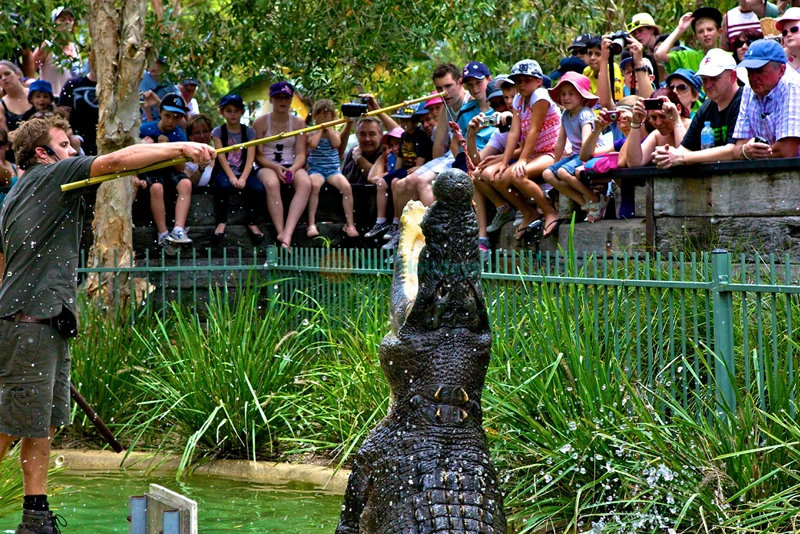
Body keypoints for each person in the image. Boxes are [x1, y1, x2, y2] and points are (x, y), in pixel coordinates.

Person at [0, 115, 214, 534]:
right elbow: (116, 161)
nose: (72, 152)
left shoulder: (16, 194)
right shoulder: (52, 175)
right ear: (42, 153)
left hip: (42, 322)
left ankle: (35, 516)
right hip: (28, 323)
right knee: (8, 426)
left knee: (38, 425)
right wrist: (182, 148)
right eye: (64, 145)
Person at [496, 59, 562, 239]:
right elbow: (514, 132)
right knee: (500, 178)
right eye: (518, 81)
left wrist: (522, 160)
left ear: (538, 81)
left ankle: (550, 212)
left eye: (527, 80)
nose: (521, 84)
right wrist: (504, 162)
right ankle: (529, 212)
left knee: (518, 175)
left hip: (553, 152)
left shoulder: (540, 96)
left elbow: (535, 130)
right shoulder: (518, 99)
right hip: (535, 154)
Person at [653, 49, 744, 167]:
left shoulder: (745, 100)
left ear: (732, 76)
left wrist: (682, 158)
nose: (708, 85)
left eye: (714, 78)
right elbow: (686, 148)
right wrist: (667, 155)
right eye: (704, 79)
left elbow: (734, 150)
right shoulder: (706, 107)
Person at [542, 72, 609, 224]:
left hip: (591, 152)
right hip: (576, 154)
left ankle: (596, 199)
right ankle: (584, 202)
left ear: (582, 96)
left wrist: (582, 163)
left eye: (571, 94)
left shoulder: (585, 114)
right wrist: (556, 162)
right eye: (563, 94)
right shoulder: (566, 114)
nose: (566, 98)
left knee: (562, 172)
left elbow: (587, 143)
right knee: (548, 174)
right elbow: (560, 142)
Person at [252, 81, 311, 250]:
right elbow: (258, 155)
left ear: (291, 100)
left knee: (305, 183)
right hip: (267, 165)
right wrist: (275, 167)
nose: (282, 101)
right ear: (271, 99)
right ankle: (280, 232)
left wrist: (293, 168)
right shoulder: (260, 123)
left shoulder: (298, 123)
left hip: (291, 164)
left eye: (286, 97)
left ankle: (288, 233)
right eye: (278, 97)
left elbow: (301, 154)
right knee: (271, 183)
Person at [138, 93, 194, 251]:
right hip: (151, 167)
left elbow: (180, 168)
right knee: (156, 187)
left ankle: (178, 230)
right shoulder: (146, 129)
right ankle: (162, 233)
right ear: (160, 113)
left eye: (176, 117)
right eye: (167, 116)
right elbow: (135, 155)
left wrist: (170, 148)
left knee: (186, 183)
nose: (171, 121)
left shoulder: (179, 135)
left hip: (171, 168)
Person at [732, 39, 800, 159]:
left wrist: (751, 153)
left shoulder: (792, 86)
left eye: (760, 71)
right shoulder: (749, 88)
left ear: (781, 70)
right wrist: (745, 151)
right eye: (749, 71)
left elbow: (787, 150)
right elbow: (739, 147)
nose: (753, 78)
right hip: (767, 168)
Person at [210, 94, 263, 245]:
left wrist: (243, 177)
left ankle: (252, 222)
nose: (232, 114)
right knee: (223, 186)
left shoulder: (249, 132)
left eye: (236, 110)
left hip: (244, 170)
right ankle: (221, 221)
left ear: (242, 112)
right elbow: (221, 157)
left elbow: (251, 157)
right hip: (225, 170)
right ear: (222, 112)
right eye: (228, 111)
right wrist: (232, 177)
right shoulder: (218, 132)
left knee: (258, 189)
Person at [306, 99, 358, 239]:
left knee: (346, 187)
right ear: (315, 116)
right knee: (314, 186)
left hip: (332, 170)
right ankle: (311, 223)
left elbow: (336, 144)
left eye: (328, 115)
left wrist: (328, 128)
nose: (325, 117)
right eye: (321, 115)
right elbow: (313, 144)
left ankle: (350, 224)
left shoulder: (334, 133)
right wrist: (319, 129)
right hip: (316, 169)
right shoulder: (311, 133)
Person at [624, 87, 691, 167]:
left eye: (663, 116)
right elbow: (634, 163)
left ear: (678, 109)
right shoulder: (657, 135)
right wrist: (635, 123)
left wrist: (676, 119)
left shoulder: (692, 127)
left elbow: (683, 156)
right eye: (653, 117)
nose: (658, 123)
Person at [31, 6, 82, 97]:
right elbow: (29, 70)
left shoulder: (75, 48)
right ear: (54, 24)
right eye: (62, 20)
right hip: (53, 100)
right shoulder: (47, 46)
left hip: (72, 101)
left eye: (70, 20)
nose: (67, 22)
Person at [655, 8, 724, 74]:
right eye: (700, 32)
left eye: (710, 30)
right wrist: (680, 29)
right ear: (696, 36)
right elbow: (660, 54)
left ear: (719, 31)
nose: (705, 34)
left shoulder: (728, 57)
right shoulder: (688, 57)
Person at [58, 60, 99, 156]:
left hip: (106, 136)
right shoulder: (73, 83)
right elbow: (63, 116)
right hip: (79, 138)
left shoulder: (115, 85)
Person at [583, 36, 625, 101]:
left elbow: (616, 98)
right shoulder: (587, 72)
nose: (592, 58)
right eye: (590, 54)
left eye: (598, 54)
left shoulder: (614, 68)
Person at [140, 56, 179, 122]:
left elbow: (177, 97)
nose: (152, 66)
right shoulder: (144, 78)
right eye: (150, 63)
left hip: (167, 117)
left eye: (156, 63)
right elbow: (146, 104)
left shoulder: (169, 80)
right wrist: (150, 123)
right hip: (148, 118)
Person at [0, 60, 30, 136]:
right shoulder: (1, 106)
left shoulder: (35, 94)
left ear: (17, 74)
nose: (4, 78)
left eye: (7, 74)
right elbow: (6, 136)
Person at [184, 114, 214, 186]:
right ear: (190, 136)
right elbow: (188, 184)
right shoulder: (186, 159)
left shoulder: (219, 153)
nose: (202, 136)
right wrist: (200, 170)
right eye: (197, 133)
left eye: (205, 131)